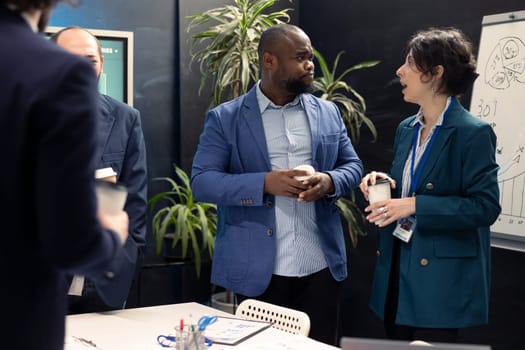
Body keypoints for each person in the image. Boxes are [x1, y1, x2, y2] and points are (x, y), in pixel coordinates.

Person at [191, 23, 363, 345]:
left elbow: (352, 166)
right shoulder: (225, 118)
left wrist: (328, 181)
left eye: (310, 57)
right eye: (300, 58)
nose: (310, 64)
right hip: (258, 273)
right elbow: (202, 182)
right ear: (269, 61)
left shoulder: (328, 112)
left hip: (321, 269)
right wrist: (264, 184)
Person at [0, 1, 129, 349]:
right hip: (18, 318)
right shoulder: (53, 75)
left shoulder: (126, 118)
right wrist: (113, 232)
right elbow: (69, 241)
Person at [359, 27, 501, 343]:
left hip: (439, 283)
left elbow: (485, 207)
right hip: (397, 271)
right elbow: (412, 188)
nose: (399, 71)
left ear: (436, 73)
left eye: (410, 62)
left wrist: (413, 205)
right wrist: (382, 185)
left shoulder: (473, 133)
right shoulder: (406, 128)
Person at [51, 26, 148, 313]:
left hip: (103, 281)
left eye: (90, 60)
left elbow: (136, 205)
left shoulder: (126, 119)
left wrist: (127, 260)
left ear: (101, 65)